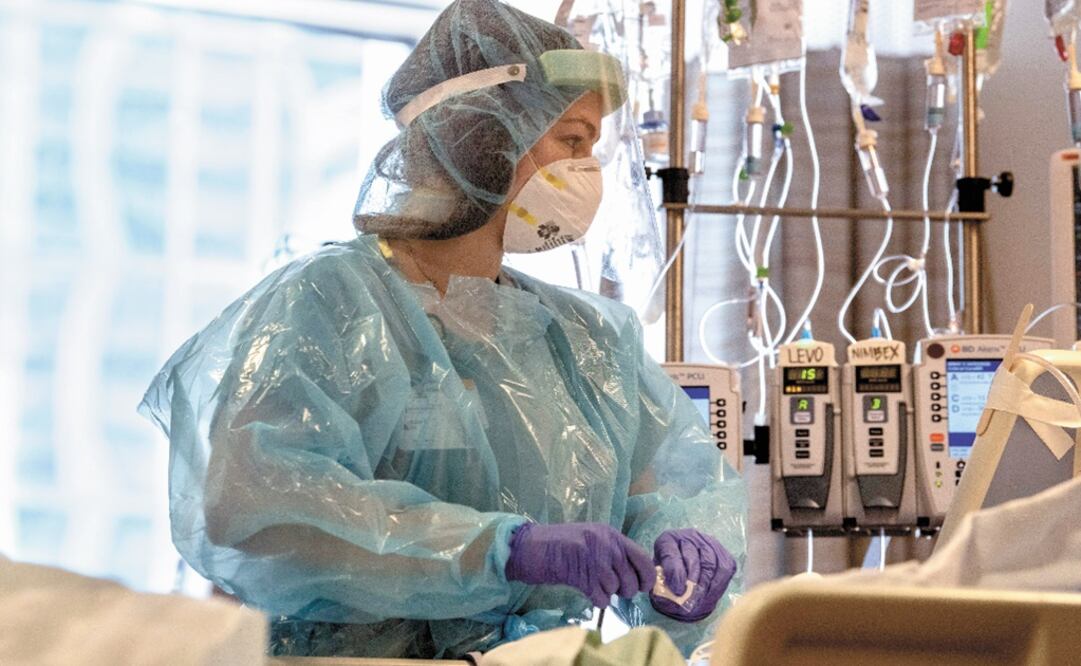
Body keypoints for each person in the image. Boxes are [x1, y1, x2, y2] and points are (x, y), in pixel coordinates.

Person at [140, 0, 747, 659]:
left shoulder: (588, 341)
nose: (585, 171)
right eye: (570, 140)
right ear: (484, 139)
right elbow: (255, 507)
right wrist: (500, 551)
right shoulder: (328, 305)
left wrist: (678, 561)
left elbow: (657, 502)